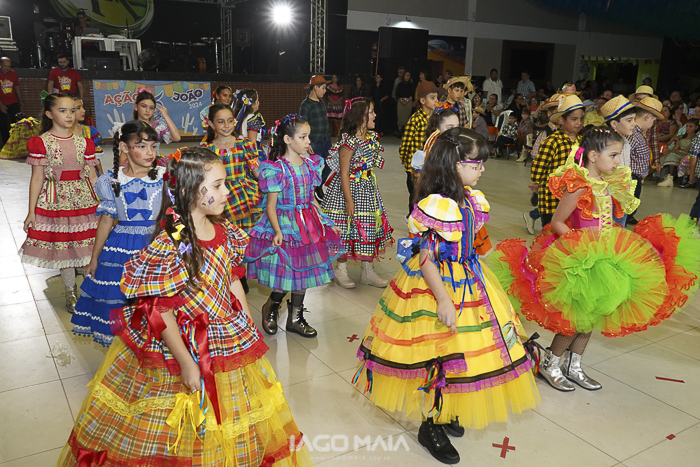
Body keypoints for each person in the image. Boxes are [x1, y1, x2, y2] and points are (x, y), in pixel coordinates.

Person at [56, 147, 313, 466]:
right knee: (176, 421)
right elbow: (159, 309)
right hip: (182, 346)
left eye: (224, 183)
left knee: (233, 416)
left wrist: (247, 323)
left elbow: (232, 278)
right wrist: (187, 363)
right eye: (217, 185)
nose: (227, 191)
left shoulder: (225, 231)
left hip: (225, 337)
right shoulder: (173, 243)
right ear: (192, 190)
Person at [354, 128, 540, 464]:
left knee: (465, 349)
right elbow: (426, 258)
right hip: (437, 285)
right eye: (476, 163)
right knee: (437, 352)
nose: (482, 169)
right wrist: (442, 299)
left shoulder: (470, 198)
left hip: (468, 279)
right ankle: (431, 424)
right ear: (454, 165)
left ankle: (447, 408)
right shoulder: (438, 206)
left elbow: (472, 241)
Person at [491, 126, 700, 392]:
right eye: (613, 155)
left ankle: (573, 364)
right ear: (592, 156)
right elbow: (557, 222)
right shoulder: (579, 187)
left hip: (604, 258)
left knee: (593, 314)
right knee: (575, 318)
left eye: (618, 155)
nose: (617, 161)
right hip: (580, 260)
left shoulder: (607, 184)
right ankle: (550, 363)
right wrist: (581, 248)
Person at [246, 114, 343, 338]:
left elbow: (312, 199)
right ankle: (271, 306)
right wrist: (277, 231)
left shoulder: (311, 164)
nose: (308, 141)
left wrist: (326, 222)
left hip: (307, 226)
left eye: (308, 136)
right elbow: (271, 206)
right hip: (286, 225)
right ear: (288, 140)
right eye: (303, 137)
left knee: (305, 272)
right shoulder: (277, 169)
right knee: (286, 272)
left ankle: (295, 318)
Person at [71, 121, 163, 347]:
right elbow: (105, 220)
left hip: (156, 245)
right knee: (120, 298)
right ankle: (126, 349)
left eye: (153, 146)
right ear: (124, 147)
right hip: (121, 248)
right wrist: (94, 258)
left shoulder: (164, 176)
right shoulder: (111, 180)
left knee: (155, 301)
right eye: (141, 146)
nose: (150, 152)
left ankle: (153, 348)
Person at [19, 93, 99, 313]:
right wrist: (31, 211)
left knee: (87, 247)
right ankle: (70, 291)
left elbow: (93, 177)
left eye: (72, 110)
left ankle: (90, 290)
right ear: (49, 114)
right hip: (55, 203)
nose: (69, 115)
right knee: (65, 250)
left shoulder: (85, 143)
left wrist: (104, 202)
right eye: (62, 111)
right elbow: (37, 178)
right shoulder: (42, 143)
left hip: (84, 201)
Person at [321, 98, 393, 289]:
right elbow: (344, 173)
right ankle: (340, 270)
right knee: (346, 227)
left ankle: (367, 271)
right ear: (361, 116)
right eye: (371, 112)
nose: (375, 115)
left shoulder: (371, 139)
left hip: (367, 190)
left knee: (368, 226)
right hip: (348, 190)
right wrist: (349, 200)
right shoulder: (349, 142)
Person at [202, 103, 261, 233]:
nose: (227, 125)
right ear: (211, 124)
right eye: (221, 122)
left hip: (245, 196)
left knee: (248, 232)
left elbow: (257, 170)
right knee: (224, 231)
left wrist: (272, 182)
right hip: (221, 195)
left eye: (230, 121)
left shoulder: (245, 144)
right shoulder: (208, 150)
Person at [530, 95, 585, 226]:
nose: (579, 123)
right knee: (550, 231)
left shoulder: (582, 142)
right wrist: (537, 182)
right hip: (551, 199)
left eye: (581, 118)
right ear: (561, 120)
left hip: (572, 199)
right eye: (574, 119)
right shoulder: (552, 141)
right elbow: (538, 169)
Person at [399, 88, 439, 216]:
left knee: (426, 193)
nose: (436, 101)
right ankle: (412, 217)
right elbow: (406, 141)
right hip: (414, 166)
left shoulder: (435, 119)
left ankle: (422, 217)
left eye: (436, 98)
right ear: (422, 101)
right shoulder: (415, 119)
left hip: (429, 163)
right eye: (432, 98)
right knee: (414, 193)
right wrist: (405, 159)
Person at [625, 96, 662, 224]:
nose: (653, 124)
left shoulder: (638, 133)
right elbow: (624, 154)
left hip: (635, 178)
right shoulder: (633, 134)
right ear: (647, 117)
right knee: (626, 210)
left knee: (631, 208)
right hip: (630, 178)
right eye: (653, 120)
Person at [299, 74, 332, 197]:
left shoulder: (321, 102)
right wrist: (307, 143)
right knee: (316, 168)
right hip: (314, 142)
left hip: (326, 139)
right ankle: (311, 193)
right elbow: (302, 126)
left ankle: (319, 185)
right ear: (315, 88)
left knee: (331, 162)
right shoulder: (306, 105)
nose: (325, 91)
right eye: (323, 88)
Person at [131, 89, 181, 159]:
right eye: (144, 106)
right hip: (135, 162)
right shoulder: (129, 127)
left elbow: (177, 138)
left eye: (151, 108)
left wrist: (166, 116)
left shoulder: (157, 127)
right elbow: (124, 154)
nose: (147, 110)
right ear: (136, 107)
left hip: (154, 161)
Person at [657, 118, 698, 187]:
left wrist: (676, 152)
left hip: (688, 155)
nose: (688, 128)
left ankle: (669, 178)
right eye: (687, 126)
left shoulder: (695, 139)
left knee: (672, 156)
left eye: (691, 127)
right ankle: (643, 176)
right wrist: (669, 153)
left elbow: (688, 150)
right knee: (662, 158)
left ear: (696, 128)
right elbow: (675, 148)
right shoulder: (681, 137)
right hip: (678, 153)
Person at [232, 88, 266, 160]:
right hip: (251, 153)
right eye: (257, 101)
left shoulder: (238, 118)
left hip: (240, 151)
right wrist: (256, 160)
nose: (258, 103)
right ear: (252, 105)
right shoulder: (253, 119)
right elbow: (252, 142)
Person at [0, 57, 22, 148]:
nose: (7, 68)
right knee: (4, 126)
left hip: (13, 101)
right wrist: (1, 105)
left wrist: (20, 100)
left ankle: (16, 145)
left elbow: (16, 87)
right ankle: (6, 146)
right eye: (5, 66)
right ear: (0, 65)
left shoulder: (13, 73)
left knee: (16, 124)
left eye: (9, 66)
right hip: (2, 102)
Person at [395, 71, 415, 135]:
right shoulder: (400, 84)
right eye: (406, 75)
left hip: (408, 102)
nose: (407, 77)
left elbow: (412, 94)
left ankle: (406, 132)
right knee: (400, 117)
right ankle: (399, 131)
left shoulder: (411, 85)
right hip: (400, 102)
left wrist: (407, 101)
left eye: (408, 75)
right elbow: (397, 94)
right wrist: (402, 101)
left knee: (407, 117)